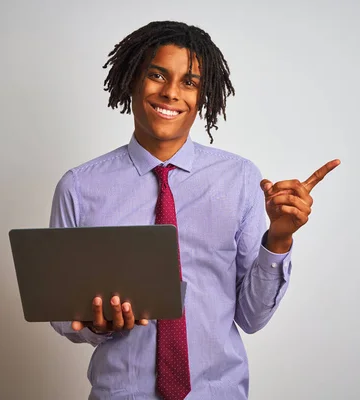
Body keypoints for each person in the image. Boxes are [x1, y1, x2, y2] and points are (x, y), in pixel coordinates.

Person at [49, 20, 339, 400]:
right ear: (132, 80)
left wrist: (279, 238)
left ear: (204, 96)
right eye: (157, 75)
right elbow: (59, 312)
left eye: (189, 82)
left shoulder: (239, 179)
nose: (171, 93)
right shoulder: (80, 187)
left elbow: (251, 318)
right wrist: (97, 326)